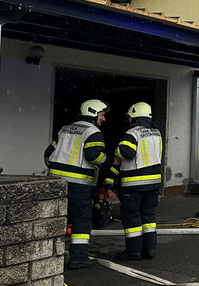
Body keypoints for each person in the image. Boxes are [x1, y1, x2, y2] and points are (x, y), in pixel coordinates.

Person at [44, 99, 112, 270]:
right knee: (82, 219)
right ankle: (79, 258)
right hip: (78, 184)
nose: (103, 119)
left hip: (55, 182)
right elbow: (93, 155)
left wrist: (56, 170)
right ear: (93, 113)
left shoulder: (65, 129)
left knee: (57, 217)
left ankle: (47, 255)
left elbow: (48, 154)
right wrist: (109, 161)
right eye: (102, 115)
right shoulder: (93, 132)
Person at [105, 102, 162, 261]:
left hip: (134, 185)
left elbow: (127, 152)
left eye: (130, 118)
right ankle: (149, 250)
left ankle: (133, 251)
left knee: (132, 218)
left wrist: (116, 149)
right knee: (148, 217)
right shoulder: (157, 133)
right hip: (153, 183)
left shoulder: (132, 133)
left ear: (133, 118)